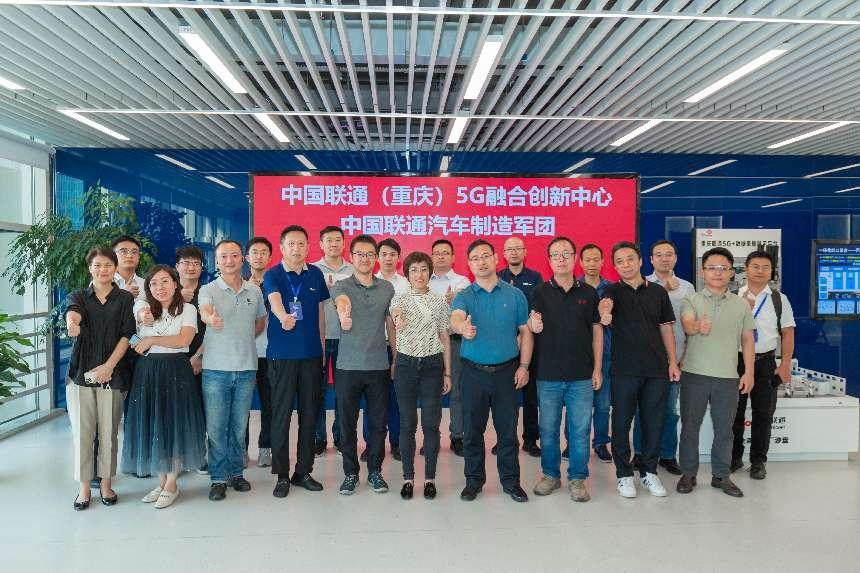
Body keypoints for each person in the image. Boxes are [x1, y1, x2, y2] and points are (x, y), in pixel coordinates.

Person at [451, 240, 532, 503]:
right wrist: (462, 327)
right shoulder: (465, 295)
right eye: (475, 258)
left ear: (496, 259)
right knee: (472, 431)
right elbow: (456, 317)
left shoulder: (515, 295)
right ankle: (473, 481)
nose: (481, 262)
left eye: (485, 256)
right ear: (469, 264)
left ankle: (511, 482)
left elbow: (525, 332)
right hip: (473, 373)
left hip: (507, 373)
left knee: (507, 432)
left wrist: (524, 366)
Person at [600, 241, 680, 499]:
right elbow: (604, 313)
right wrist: (605, 314)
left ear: (640, 261)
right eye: (619, 262)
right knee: (621, 423)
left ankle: (649, 471)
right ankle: (624, 474)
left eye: (630, 259)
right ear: (614, 266)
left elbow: (666, 328)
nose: (625, 265)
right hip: (624, 370)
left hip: (656, 369)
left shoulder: (658, 292)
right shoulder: (611, 292)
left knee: (654, 422)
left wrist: (672, 361)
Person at [122, 265, 206, 509]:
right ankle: (161, 482)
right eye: (154, 283)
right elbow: (133, 338)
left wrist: (151, 339)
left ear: (175, 284)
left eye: (165, 281)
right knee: (153, 424)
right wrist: (140, 338)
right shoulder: (144, 309)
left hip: (175, 370)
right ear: (148, 288)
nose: (160, 287)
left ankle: (172, 484)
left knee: (173, 425)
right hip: (147, 371)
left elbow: (184, 339)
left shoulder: (188, 309)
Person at [528, 238, 603, 502]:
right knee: (548, 430)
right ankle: (550, 475)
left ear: (574, 258)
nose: (561, 259)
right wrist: (533, 325)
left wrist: (597, 368)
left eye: (566, 254)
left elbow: (597, 332)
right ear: (549, 260)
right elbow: (530, 326)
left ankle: (577, 478)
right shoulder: (539, 292)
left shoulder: (589, 293)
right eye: (555, 255)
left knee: (580, 431)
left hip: (581, 376)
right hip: (548, 375)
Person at [677, 247, 755, 498]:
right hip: (695, 374)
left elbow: (747, 340)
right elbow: (687, 325)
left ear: (732, 273)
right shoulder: (692, 300)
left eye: (723, 268)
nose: (718, 273)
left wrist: (749, 372)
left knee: (725, 429)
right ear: (703, 271)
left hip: (728, 377)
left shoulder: (741, 305)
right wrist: (698, 326)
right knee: (690, 427)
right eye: (712, 268)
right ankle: (688, 473)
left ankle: (721, 475)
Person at [65, 247, 135, 510]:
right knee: (82, 433)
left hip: (112, 374)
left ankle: (106, 484)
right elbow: (73, 312)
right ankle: (84, 488)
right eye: (97, 265)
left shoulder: (125, 298)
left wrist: (108, 367)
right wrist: (72, 323)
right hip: (81, 373)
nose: (103, 270)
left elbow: (127, 335)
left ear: (115, 268)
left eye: (107, 265)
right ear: (90, 269)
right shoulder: (79, 296)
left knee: (108, 433)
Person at [263, 226, 330, 498]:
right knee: (281, 415)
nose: (296, 249)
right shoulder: (273, 274)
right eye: (291, 244)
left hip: (311, 355)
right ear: (282, 247)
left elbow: (321, 312)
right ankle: (282, 475)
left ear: (308, 247)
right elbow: (275, 299)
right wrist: (283, 317)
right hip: (282, 356)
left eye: (301, 244)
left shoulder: (315, 274)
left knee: (309, 415)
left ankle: (303, 471)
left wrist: (322, 346)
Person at [198, 240, 267, 501]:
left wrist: (243, 338)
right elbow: (205, 310)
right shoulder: (208, 289)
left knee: (239, 426)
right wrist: (210, 318)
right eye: (224, 256)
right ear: (217, 261)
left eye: (234, 255)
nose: (229, 260)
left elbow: (260, 321)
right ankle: (218, 478)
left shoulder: (254, 291)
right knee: (217, 428)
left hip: (247, 368)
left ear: (242, 259)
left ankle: (236, 473)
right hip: (216, 370)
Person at [330, 234, 396, 495]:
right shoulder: (342, 285)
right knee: (347, 423)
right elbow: (341, 301)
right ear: (351, 256)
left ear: (376, 257)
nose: (365, 258)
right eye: (360, 254)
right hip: (348, 366)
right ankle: (350, 473)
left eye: (370, 254)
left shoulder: (387, 288)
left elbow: (391, 324)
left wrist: (396, 356)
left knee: (378, 423)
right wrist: (344, 313)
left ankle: (375, 472)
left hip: (378, 365)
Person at [389, 251, 452, 500]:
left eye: (424, 269)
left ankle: (430, 479)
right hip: (405, 365)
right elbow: (396, 316)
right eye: (414, 270)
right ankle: (407, 478)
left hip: (432, 366)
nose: (419, 274)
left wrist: (448, 372)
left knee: (431, 424)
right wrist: (398, 319)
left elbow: (444, 336)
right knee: (407, 423)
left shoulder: (439, 302)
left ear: (430, 272)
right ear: (407, 274)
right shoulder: (399, 299)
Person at [631, 240, 695, 476]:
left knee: (669, 410)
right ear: (650, 259)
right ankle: (639, 453)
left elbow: (690, 326)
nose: (664, 258)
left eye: (669, 254)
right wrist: (663, 291)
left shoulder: (687, 288)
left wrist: (685, 357)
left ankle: (667, 454)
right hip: (645, 358)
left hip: (674, 360)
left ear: (675, 258)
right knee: (642, 409)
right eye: (659, 254)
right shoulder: (642, 284)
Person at [731, 250, 796, 480]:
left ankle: (758, 461)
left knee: (764, 414)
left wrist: (785, 364)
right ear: (745, 269)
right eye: (755, 266)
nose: (760, 271)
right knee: (733, 413)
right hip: (736, 362)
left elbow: (787, 333)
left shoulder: (779, 299)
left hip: (766, 362)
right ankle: (734, 458)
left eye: (765, 267)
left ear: (771, 272)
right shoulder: (733, 296)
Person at [359, 237, 406, 462]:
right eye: (384, 254)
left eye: (392, 255)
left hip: (400, 348)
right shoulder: (368, 282)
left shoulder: (406, 284)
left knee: (397, 399)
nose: (388, 258)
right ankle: (372, 444)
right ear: (377, 257)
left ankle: (397, 443)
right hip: (374, 348)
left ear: (399, 258)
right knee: (372, 400)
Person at [497, 236, 542, 457]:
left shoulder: (535, 277)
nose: (514, 252)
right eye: (509, 249)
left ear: (525, 252)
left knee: (531, 395)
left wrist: (524, 333)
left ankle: (530, 440)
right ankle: (506, 439)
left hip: (529, 342)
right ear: (503, 254)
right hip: (504, 345)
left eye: (518, 248)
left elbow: (538, 308)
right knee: (506, 397)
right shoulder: (497, 277)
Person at [312, 226, 355, 456]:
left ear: (344, 243)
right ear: (321, 244)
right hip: (318, 337)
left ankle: (340, 437)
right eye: (329, 240)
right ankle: (319, 438)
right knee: (316, 391)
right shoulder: (312, 270)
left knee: (344, 392)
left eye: (338, 240)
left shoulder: (353, 269)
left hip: (347, 338)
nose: (334, 244)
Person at [429, 238, 470, 456]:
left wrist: (454, 302)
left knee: (457, 390)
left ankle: (457, 436)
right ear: (432, 256)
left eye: (445, 252)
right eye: (437, 253)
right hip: (427, 342)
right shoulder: (423, 279)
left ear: (453, 257)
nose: (441, 256)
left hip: (454, 341)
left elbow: (467, 310)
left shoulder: (462, 282)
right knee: (431, 391)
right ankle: (432, 438)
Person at [575, 243, 613, 463]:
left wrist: (609, 318)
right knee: (576, 404)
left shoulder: (611, 289)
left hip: (605, 354)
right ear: (580, 262)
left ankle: (600, 443)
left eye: (595, 259)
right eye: (587, 260)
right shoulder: (574, 286)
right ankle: (573, 443)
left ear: (602, 262)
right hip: (578, 353)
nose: (591, 263)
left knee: (603, 404)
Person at [174, 245, 208, 474]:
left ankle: (198, 457)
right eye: (186, 263)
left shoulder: (208, 293)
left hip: (201, 361)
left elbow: (214, 331)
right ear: (177, 266)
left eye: (196, 263)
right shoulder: (165, 290)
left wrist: (198, 357)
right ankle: (175, 457)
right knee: (175, 410)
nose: (191, 267)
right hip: (172, 361)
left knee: (199, 410)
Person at [245, 236, 274, 468]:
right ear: (247, 257)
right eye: (254, 252)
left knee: (269, 403)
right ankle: (241, 450)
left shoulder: (277, 283)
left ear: (270, 257)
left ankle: (266, 447)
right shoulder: (240, 285)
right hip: (244, 352)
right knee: (241, 405)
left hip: (269, 352)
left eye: (264, 252)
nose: (259, 256)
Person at [111, 235, 146, 302]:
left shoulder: (145, 284)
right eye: (123, 251)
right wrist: (123, 296)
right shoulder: (101, 283)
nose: (129, 256)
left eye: (134, 252)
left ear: (139, 257)